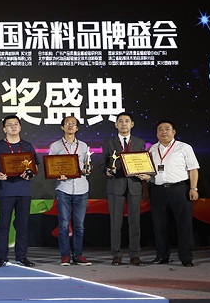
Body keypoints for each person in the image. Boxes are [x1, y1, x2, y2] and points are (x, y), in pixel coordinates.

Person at [139, 120, 199, 267]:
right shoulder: (152, 149)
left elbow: (193, 169)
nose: (164, 132)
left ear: (174, 132)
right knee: (159, 225)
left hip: (179, 190)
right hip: (157, 190)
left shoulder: (184, 147)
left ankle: (186, 258)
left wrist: (194, 188)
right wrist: (145, 190)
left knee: (184, 224)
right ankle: (162, 256)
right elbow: (146, 171)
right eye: (160, 129)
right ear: (156, 133)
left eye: (167, 129)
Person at [0, 115, 37, 267]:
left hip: (24, 191)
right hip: (5, 191)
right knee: (3, 225)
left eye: (16, 124)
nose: (13, 127)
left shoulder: (27, 146)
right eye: (9, 124)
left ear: (20, 127)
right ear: (4, 129)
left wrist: (30, 174)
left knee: (22, 225)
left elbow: (35, 167)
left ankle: (22, 256)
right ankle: (1, 257)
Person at [100, 112, 146, 266]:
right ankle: (116, 255)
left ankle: (135, 255)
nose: (124, 124)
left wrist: (145, 172)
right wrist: (106, 170)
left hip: (134, 185)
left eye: (127, 121)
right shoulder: (109, 142)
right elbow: (103, 164)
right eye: (120, 121)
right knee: (115, 222)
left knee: (135, 222)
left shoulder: (139, 142)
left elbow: (144, 162)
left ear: (132, 124)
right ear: (116, 124)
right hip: (115, 185)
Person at [48, 116, 92, 266]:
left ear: (77, 128)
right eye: (67, 123)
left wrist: (87, 169)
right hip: (63, 188)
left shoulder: (84, 146)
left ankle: (78, 255)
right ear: (62, 127)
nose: (70, 126)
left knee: (79, 226)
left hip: (81, 188)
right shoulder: (55, 146)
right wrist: (57, 174)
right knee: (64, 225)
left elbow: (87, 165)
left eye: (73, 124)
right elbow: (51, 166)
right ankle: (65, 255)